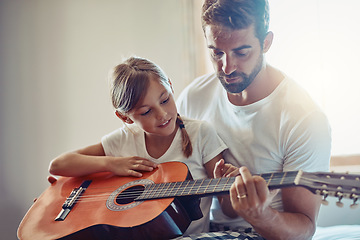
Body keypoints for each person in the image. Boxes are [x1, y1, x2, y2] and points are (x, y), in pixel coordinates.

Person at [176, 0, 332, 239]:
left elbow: (304, 230)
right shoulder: (194, 97)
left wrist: (259, 214)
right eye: (216, 52)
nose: (227, 67)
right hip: (202, 231)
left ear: (266, 43)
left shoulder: (304, 118)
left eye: (241, 52)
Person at [49, 56, 230, 235]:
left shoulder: (201, 133)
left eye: (165, 100)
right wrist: (111, 163)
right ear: (125, 117)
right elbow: (58, 165)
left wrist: (231, 188)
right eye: (146, 111)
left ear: (170, 85)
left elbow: (228, 210)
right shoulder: (124, 140)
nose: (162, 114)